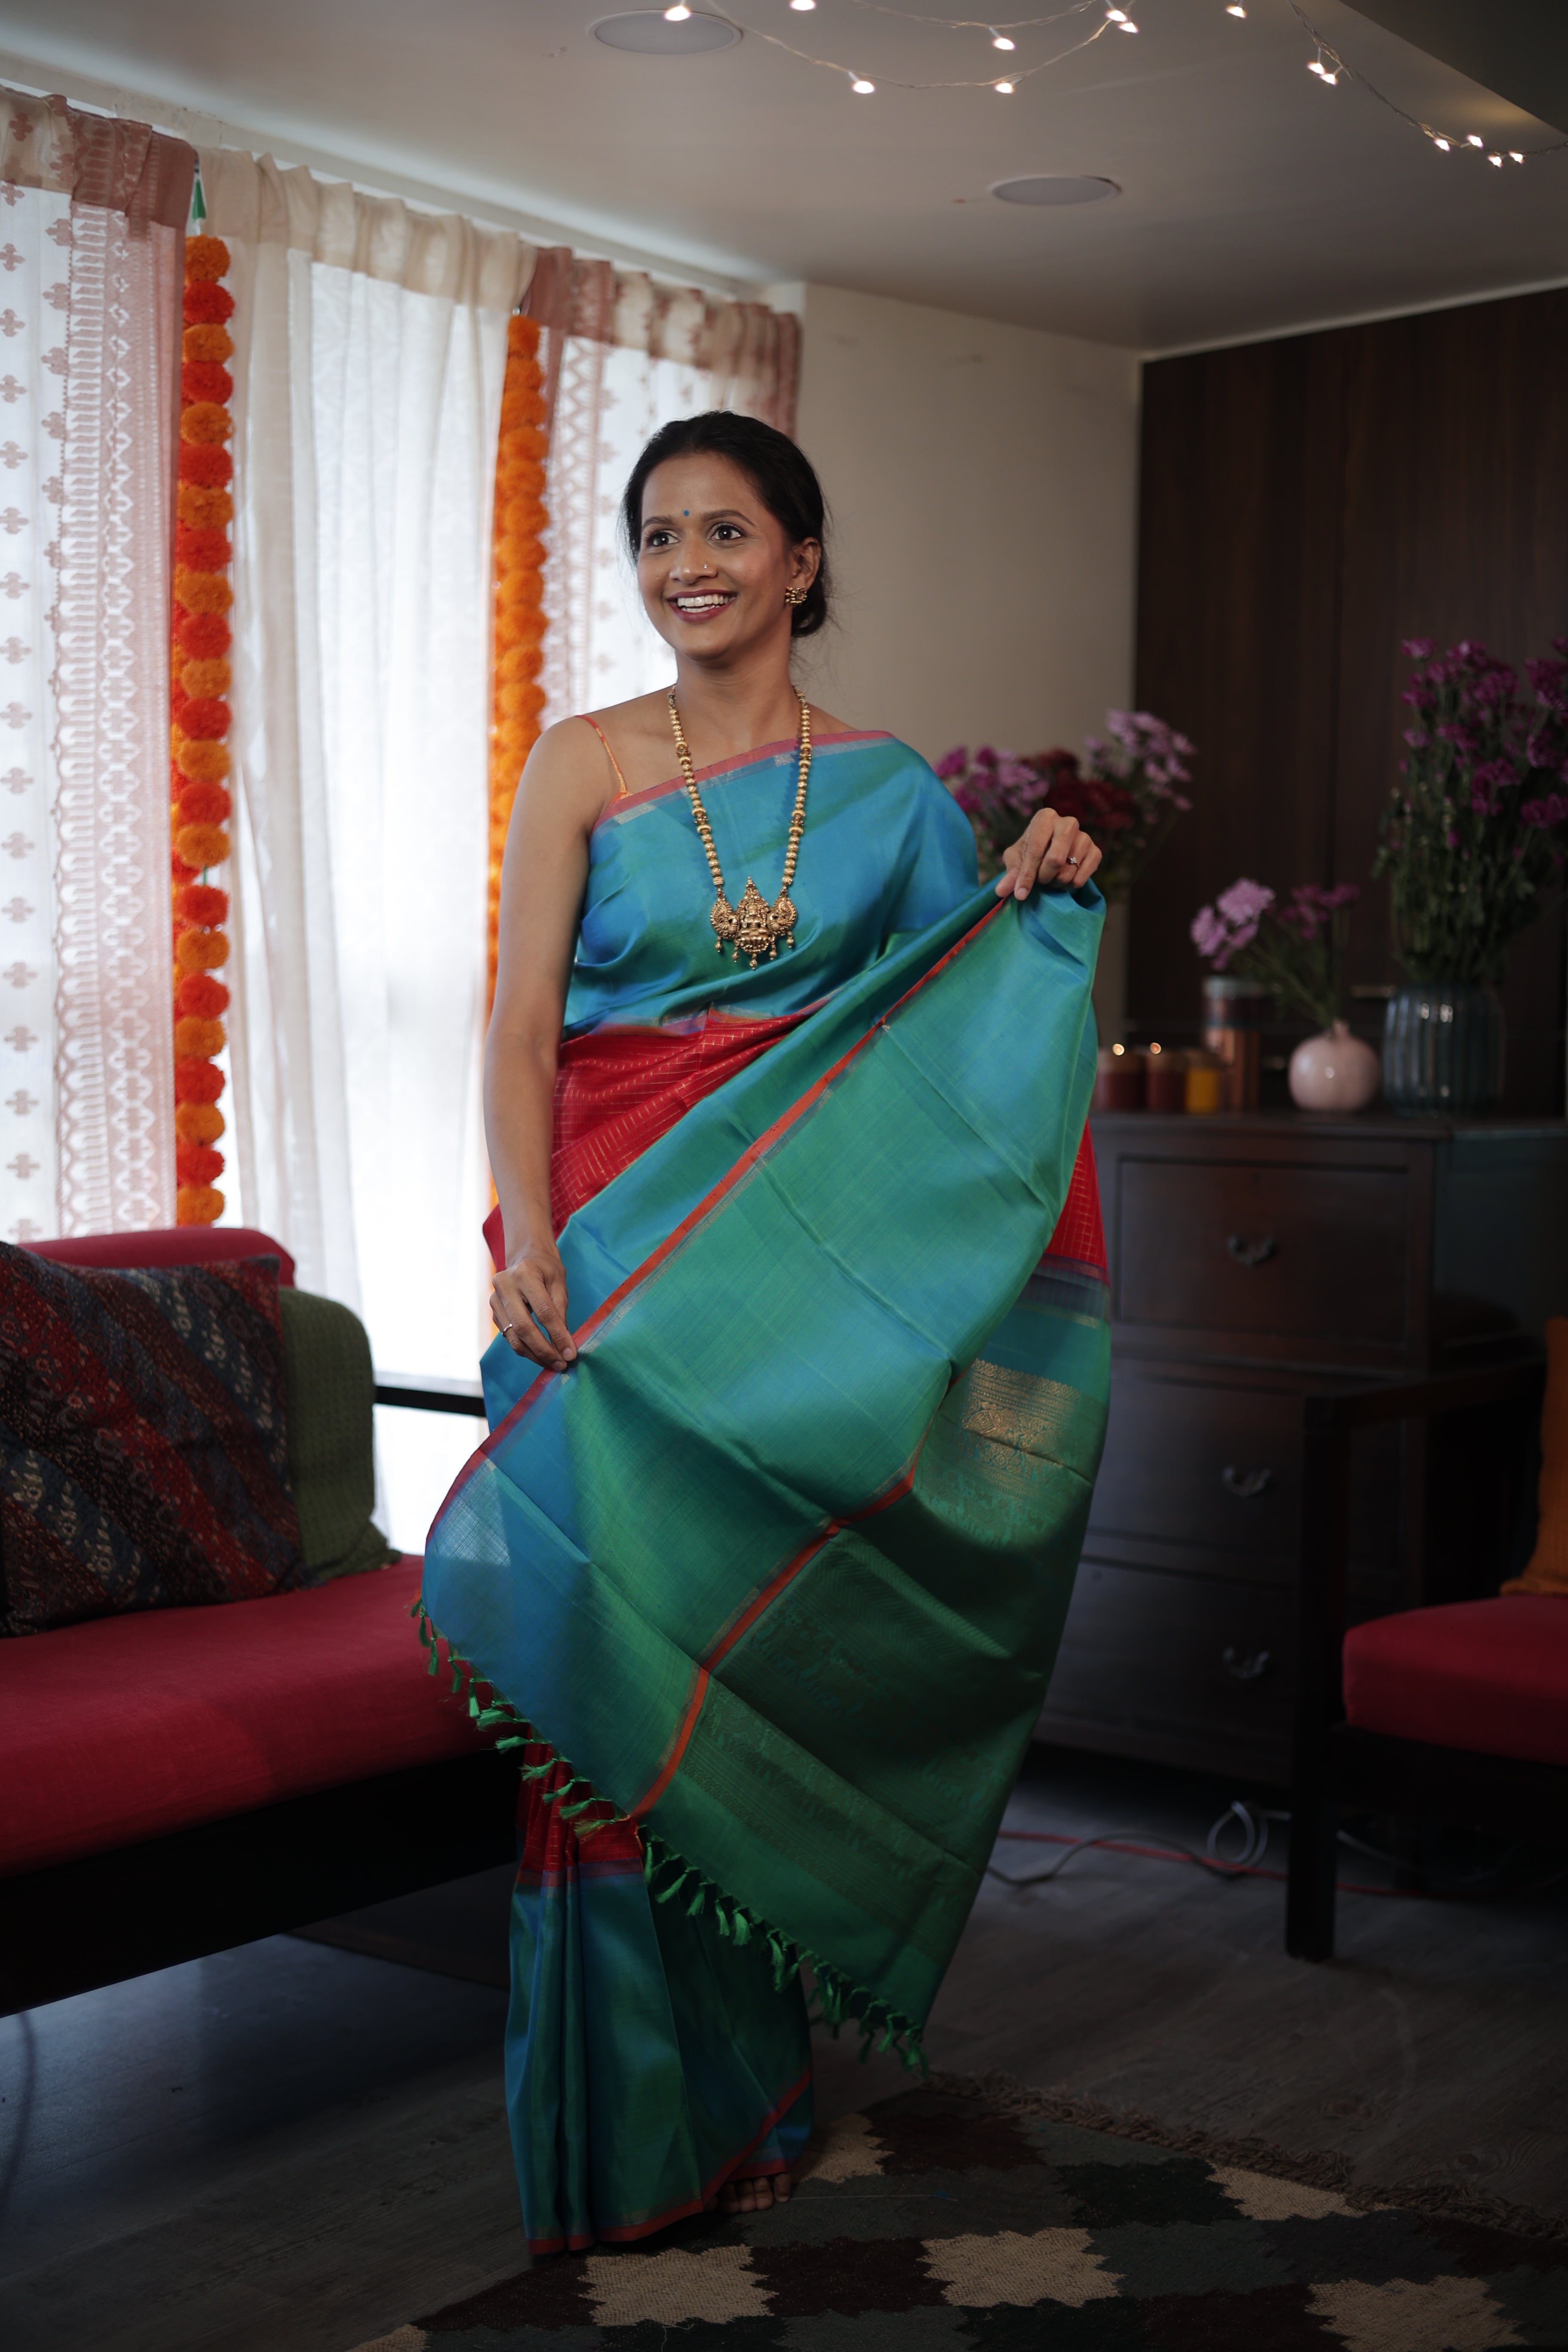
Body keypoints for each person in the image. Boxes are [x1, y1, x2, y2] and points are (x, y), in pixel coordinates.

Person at [419, 411, 1110, 2252]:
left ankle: (757, 2100)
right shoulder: (578, 763)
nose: (687, 566)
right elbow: (515, 1036)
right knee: (598, 1658)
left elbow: (944, 1035)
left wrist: (1042, 873)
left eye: (726, 531)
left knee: (740, 1665)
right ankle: (628, 2131)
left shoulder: (884, 792)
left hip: (779, 1296)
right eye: (657, 537)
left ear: (803, 560)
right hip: (605, 1268)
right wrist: (532, 1243)